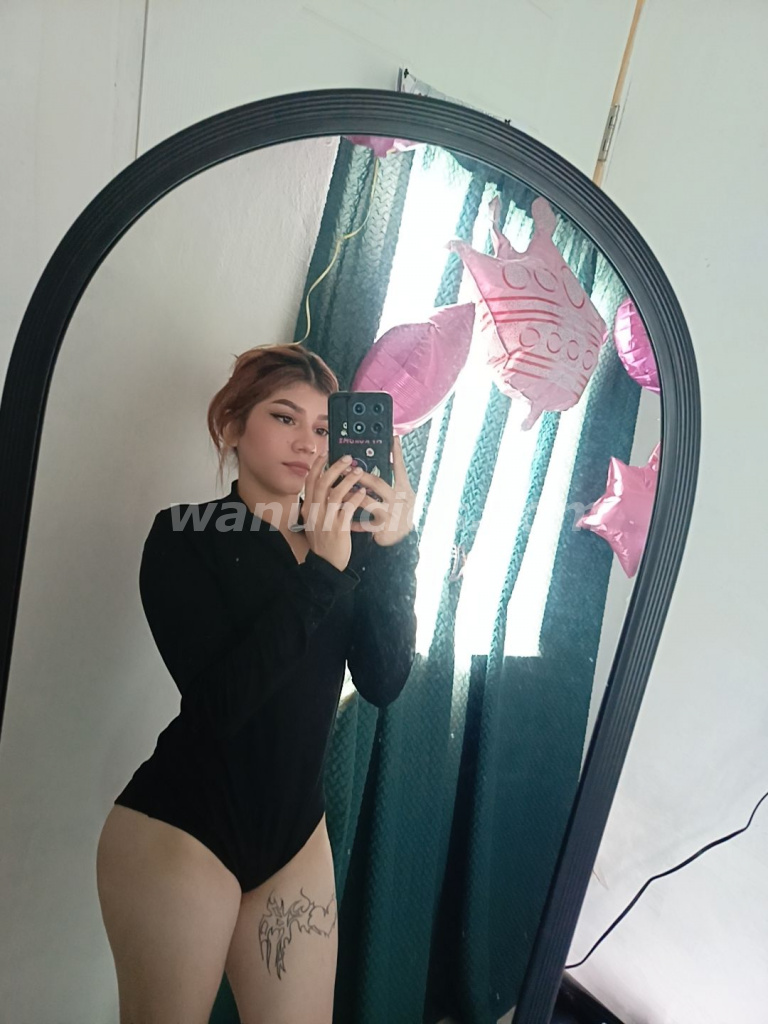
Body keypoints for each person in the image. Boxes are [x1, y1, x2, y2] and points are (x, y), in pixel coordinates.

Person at [95, 343, 420, 1023]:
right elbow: (221, 706)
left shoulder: (346, 543)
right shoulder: (184, 536)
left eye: (324, 428)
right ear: (234, 424)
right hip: (182, 829)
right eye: (284, 417)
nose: (308, 443)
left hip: (294, 838)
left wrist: (395, 549)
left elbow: (383, 680)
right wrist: (323, 573)